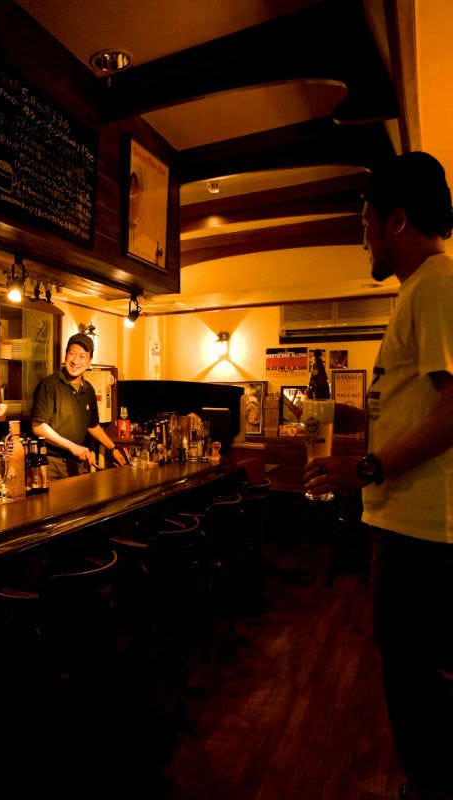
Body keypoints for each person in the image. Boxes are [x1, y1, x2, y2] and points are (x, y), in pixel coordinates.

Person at [303, 151, 453, 800]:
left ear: (397, 220)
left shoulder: (436, 285)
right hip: (409, 526)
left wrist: (362, 467)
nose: (362, 235)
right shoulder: (422, 289)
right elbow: (421, 409)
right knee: (413, 685)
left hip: (422, 535)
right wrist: (362, 436)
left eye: (365, 220)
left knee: (417, 692)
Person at [31, 332, 126, 480]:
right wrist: (72, 447)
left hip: (77, 463)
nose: (75, 361)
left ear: (89, 362)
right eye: (72, 354)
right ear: (65, 356)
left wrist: (113, 448)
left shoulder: (88, 390)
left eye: (82, 356)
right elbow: (38, 427)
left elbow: (92, 425)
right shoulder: (50, 385)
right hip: (51, 463)